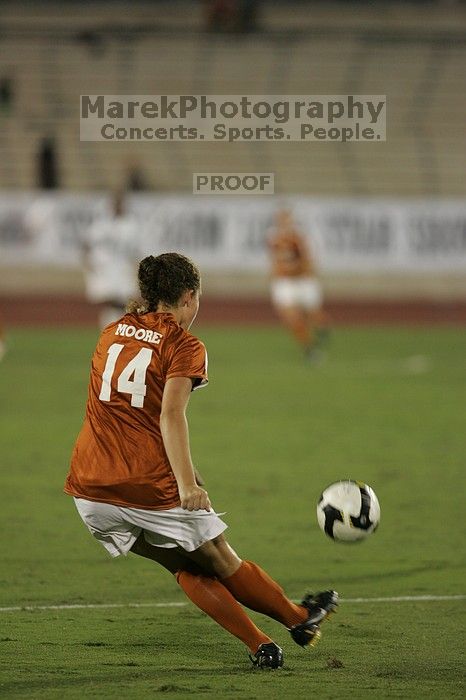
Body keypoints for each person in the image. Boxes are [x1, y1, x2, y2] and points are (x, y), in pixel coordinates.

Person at [64, 252, 338, 669]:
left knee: (181, 563)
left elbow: (127, 412)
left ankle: (262, 644)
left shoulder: (111, 332)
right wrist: (187, 486)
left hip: (88, 488)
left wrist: (184, 467)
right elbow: (169, 413)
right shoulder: (184, 344)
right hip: (146, 487)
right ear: (189, 297)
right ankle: (299, 619)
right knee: (219, 558)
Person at [268, 209, 329, 361]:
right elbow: (275, 262)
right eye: (280, 220)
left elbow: (310, 262)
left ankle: (322, 329)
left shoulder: (301, 238)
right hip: (284, 283)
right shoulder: (273, 238)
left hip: (303, 281)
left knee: (315, 316)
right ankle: (310, 349)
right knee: (291, 317)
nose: (283, 224)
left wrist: (295, 269)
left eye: (286, 220)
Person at [81, 189, 141, 328]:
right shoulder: (102, 224)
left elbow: (136, 251)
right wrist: (88, 262)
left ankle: (113, 328)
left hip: (122, 269)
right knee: (111, 299)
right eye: (116, 203)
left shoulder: (130, 225)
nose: (118, 206)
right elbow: (87, 244)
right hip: (105, 268)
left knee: (124, 302)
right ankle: (112, 329)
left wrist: (137, 268)